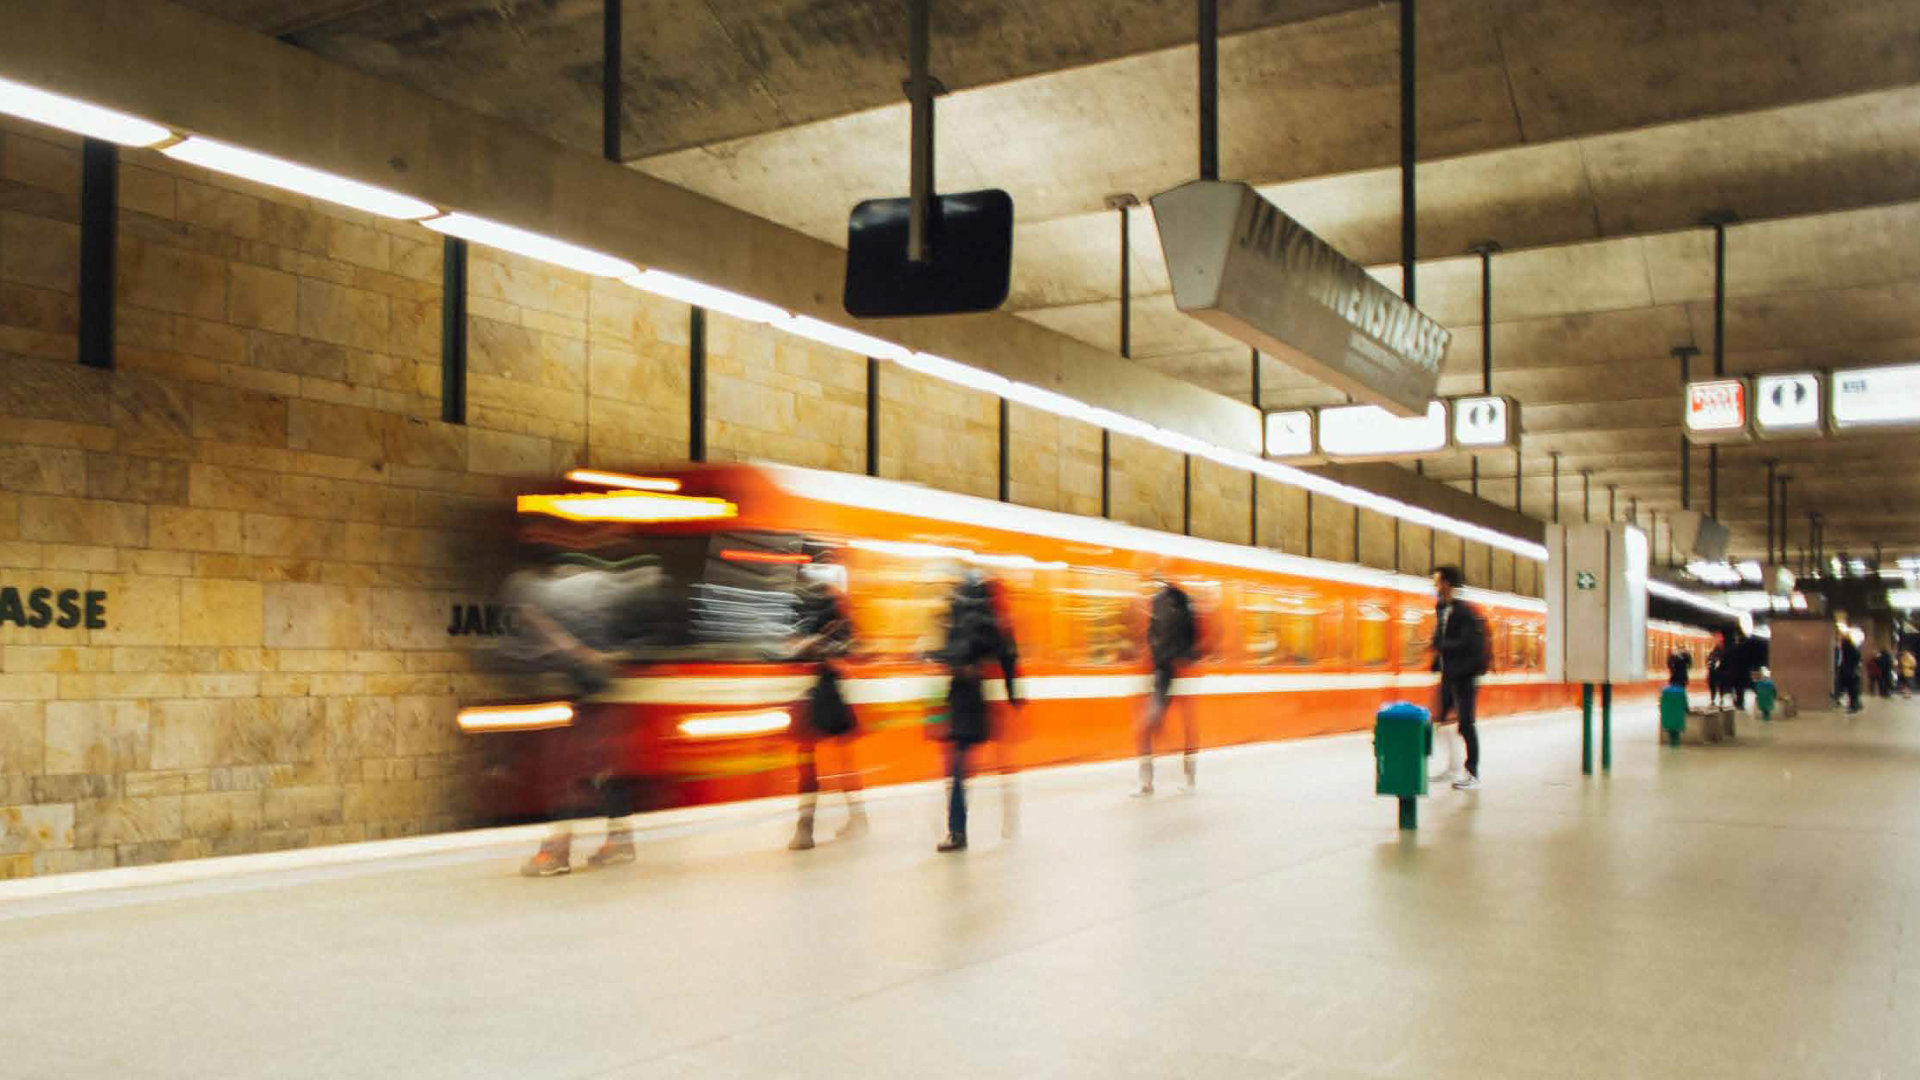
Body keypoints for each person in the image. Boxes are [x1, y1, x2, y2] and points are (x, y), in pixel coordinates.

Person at [502, 556, 668, 878]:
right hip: (602, 690)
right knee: (601, 767)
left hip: (593, 692)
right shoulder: (579, 597)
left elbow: (575, 658)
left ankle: (558, 850)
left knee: (566, 768)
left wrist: (583, 657)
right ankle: (619, 840)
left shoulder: (551, 605)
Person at [933, 572, 1019, 853]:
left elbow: (944, 652)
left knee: (957, 765)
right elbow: (1007, 653)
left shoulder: (956, 609)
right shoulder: (989, 614)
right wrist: (1012, 694)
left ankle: (957, 831)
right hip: (976, 696)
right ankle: (960, 829)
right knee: (961, 764)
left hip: (957, 695)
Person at [787, 559, 866, 851]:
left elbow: (795, 647)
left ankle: (805, 829)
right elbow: (853, 650)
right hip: (828, 693)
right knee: (840, 760)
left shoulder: (806, 607)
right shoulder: (838, 608)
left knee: (808, 763)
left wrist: (813, 648)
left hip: (816, 694)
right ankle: (856, 819)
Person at [1134, 576, 1201, 796]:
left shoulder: (1161, 604)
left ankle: (1147, 783)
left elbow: (1152, 635)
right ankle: (1188, 779)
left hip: (1166, 671)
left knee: (1147, 727)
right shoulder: (1185, 604)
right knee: (1186, 726)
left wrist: (1158, 657)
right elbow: (1193, 636)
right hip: (1179, 669)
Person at [1430, 565, 1489, 790]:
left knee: (1466, 724)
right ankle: (1452, 768)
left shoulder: (1466, 611)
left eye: (1437, 582)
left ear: (1447, 584)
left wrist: (1442, 645)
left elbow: (1469, 643)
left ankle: (1472, 772)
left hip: (1465, 674)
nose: (1435, 586)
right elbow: (1442, 634)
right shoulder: (1441, 607)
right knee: (1442, 720)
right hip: (1448, 673)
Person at [1839, 631, 1864, 714]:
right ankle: (1856, 704)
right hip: (1853, 671)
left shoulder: (1845, 646)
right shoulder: (1853, 646)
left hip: (1847, 671)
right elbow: (1858, 657)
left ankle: (1854, 705)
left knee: (1850, 689)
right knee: (1854, 689)